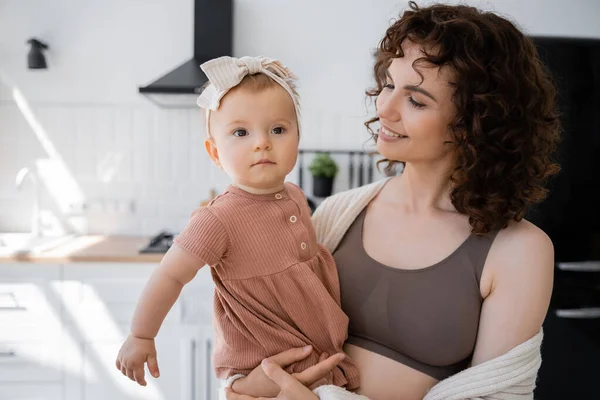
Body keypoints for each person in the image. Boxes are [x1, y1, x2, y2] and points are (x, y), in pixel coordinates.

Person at [226, 2, 560, 399]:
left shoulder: (518, 251)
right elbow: (261, 327)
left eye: (416, 100)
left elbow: (496, 397)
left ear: (475, 123)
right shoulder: (339, 215)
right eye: (388, 84)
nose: (384, 108)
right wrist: (241, 387)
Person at [114, 56, 361, 396]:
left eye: (278, 129)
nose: (262, 142)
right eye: (241, 132)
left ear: (297, 137)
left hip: (315, 350)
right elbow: (169, 275)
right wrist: (141, 335)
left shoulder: (294, 196)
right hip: (263, 361)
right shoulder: (218, 218)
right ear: (215, 153)